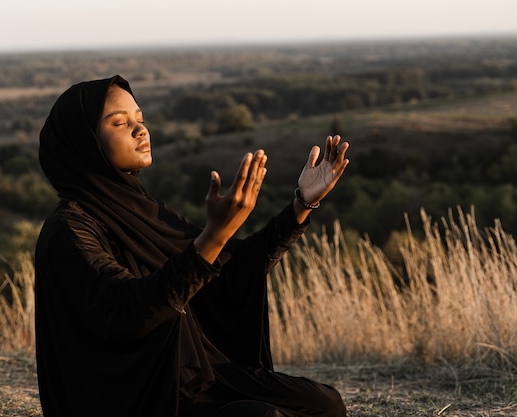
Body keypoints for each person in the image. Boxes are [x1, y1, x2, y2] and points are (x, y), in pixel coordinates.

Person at [35, 75, 350, 417]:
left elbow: (228, 271)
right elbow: (127, 311)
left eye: (140, 119)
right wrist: (213, 234)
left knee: (324, 403)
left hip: (195, 377)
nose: (141, 130)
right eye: (121, 122)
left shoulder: (142, 209)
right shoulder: (70, 229)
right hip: (137, 396)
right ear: (85, 142)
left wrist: (301, 205)